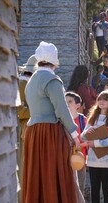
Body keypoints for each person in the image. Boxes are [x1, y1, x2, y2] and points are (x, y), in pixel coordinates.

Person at [23, 41, 78, 203]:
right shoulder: (51, 79)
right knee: (52, 172)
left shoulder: (31, 80)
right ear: (54, 60)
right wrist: (74, 132)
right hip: (49, 132)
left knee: (36, 173)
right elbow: (61, 110)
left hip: (32, 131)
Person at [80, 91, 108, 203]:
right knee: (95, 189)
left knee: (107, 189)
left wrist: (96, 143)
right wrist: (87, 131)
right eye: (100, 99)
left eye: (105, 99)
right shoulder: (93, 118)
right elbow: (83, 137)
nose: (101, 101)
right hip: (93, 160)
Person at [17, 54, 36, 202]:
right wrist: (39, 110)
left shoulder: (31, 83)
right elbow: (19, 111)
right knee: (24, 169)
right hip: (24, 129)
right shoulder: (23, 84)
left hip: (33, 128)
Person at [65, 92, 88, 202]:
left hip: (79, 160)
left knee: (79, 191)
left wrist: (79, 144)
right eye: (64, 102)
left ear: (78, 105)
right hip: (64, 161)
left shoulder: (83, 120)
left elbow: (89, 139)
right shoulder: (60, 121)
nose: (66, 104)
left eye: (70, 101)